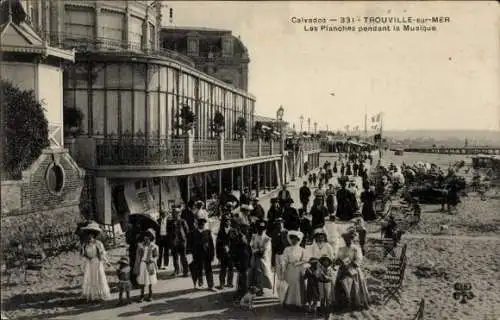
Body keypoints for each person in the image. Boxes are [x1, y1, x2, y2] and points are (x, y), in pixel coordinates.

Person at [333, 228, 370, 311]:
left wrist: (351, 264)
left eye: (349, 239)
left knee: (354, 284)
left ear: (352, 239)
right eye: (345, 239)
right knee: (341, 284)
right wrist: (338, 261)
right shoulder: (341, 249)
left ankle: (354, 303)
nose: (347, 240)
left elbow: (359, 259)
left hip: (353, 269)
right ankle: (342, 303)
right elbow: (337, 258)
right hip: (343, 269)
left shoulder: (356, 248)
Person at [80, 222, 111, 302]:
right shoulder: (85, 244)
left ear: (94, 235)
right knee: (89, 279)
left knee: (98, 278)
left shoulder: (98, 244)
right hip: (89, 263)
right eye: (89, 235)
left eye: (92, 235)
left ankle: (99, 295)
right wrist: (83, 263)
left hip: (96, 262)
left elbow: (102, 253)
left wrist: (106, 261)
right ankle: (91, 295)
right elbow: (83, 255)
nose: (90, 237)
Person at [280, 230, 307, 309]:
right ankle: (288, 302)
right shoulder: (287, 249)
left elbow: (305, 260)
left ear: (299, 240)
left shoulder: (302, 249)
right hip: (289, 268)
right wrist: (282, 263)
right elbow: (284, 258)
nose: (294, 240)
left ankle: (298, 303)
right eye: (292, 239)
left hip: (298, 269)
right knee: (289, 284)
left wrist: (298, 263)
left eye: (295, 239)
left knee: (297, 285)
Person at [248, 220, 274, 296]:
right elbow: (251, 246)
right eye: (259, 228)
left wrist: (261, 252)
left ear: (264, 229)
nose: (260, 229)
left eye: (262, 228)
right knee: (253, 272)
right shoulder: (253, 236)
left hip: (263, 258)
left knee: (261, 273)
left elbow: (266, 248)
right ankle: (254, 287)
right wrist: (256, 251)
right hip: (254, 257)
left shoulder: (267, 238)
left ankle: (260, 288)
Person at [192, 218, 216, 291]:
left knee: (209, 270)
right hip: (197, 254)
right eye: (200, 224)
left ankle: (211, 285)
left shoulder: (208, 232)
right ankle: (200, 284)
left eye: (203, 224)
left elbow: (211, 244)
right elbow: (191, 245)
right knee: (198, 269)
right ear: (198, 225)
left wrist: (212, 254)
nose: (202, 225)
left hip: (207, 254)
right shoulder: (194, 233)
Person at [135, 228, 159, 302]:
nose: (146, 238)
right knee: (142, 280)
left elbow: (156, 256)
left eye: (148, 237)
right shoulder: (140, 246)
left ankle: (150, 295)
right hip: (142, 264)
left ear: (150, 238)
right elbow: (138, 256)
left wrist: (153, 259)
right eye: (145, 237)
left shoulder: (154, 246)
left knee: (150, 280)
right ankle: (141, 296)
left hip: (150, 264)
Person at [231, 223, 252, 302]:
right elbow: (234, 250)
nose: (247, 230)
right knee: (243, 276)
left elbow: (249, 249)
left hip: (246, 259)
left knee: (244, 276)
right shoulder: (238, 237)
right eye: (245, 229)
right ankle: (243, 293)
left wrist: (250, 260)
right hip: (241, 260)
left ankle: (243, 291)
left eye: (247, 229)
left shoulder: (246, 236)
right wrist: (236, 261)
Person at [167, 208, 190, 277]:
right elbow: (168, 232)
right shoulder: (170, 222)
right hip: (173, 242)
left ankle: (185, 271)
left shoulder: (183, 221)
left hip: (182, 242)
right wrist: (170, 241)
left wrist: (185, 239)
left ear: (179, 213)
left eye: (176, 213)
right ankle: (176, 270)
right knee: (175, 257)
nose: (174, 214)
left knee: (183, 257)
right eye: (173, 213)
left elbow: (187, 231)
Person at [216, 215, 235, 289]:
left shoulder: (233, 231)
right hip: (223, 254)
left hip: (231, 253)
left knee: (231, 268)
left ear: (230, 221)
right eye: (225, 220)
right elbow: (218, 244)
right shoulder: (220, 231)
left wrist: (233, 251)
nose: (227, 222)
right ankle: (222, 284)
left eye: (228, 220)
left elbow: (236, 242)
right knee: (223, 269)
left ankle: (230, 283)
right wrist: (218, 254)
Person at [125, 221, 141, 288]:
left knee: (136, 265)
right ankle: (134, 282)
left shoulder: (135, 230)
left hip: (135, 249)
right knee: (134, 265)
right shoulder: (130, 232)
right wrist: (136, 239)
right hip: (133, 250)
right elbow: (129, 241)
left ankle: (135, 280)